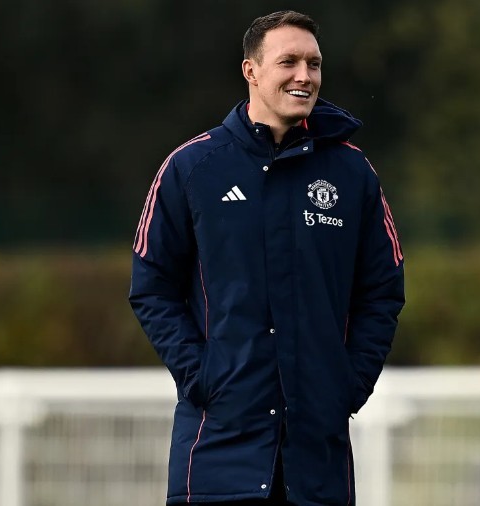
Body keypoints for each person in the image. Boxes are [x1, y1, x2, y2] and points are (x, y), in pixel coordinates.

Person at [128, 10, 405, 506]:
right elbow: (151, 285)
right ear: (251, 71)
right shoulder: (192, 168)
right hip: (217, 455)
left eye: (314, 64)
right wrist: (203, 376)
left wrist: (347, 384)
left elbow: (383, 290)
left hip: (317, 463)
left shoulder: (352, 173)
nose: (305, 75)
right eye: (289, 62)